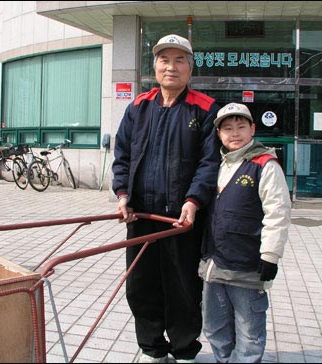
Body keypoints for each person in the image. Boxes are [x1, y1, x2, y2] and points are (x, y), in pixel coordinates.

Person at [112, 34, 221, 363]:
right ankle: (153, 349)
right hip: (141, 217)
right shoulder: (138, 106)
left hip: (182, 220)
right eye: (164, 60)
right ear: (155, 66)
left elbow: (209, 162)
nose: (171, 67)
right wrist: (122, 195)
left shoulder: (204, 108)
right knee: (140, 286)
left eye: (179, 60)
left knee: (183, 288)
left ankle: (185, 350)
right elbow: (123, 155)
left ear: (190, 68)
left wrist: (193, 201)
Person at [199, 102, 291, 363]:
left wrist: (270, 256)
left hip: (247, 264)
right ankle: (224, 360)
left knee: (249, 330)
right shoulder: (216, 164)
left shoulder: (265, 165)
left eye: (241, 126)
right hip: (214, 264)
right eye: (227, 128)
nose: (234, 133)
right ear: (219, 134)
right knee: (215, 325)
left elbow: (278, 212)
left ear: (253, 128)